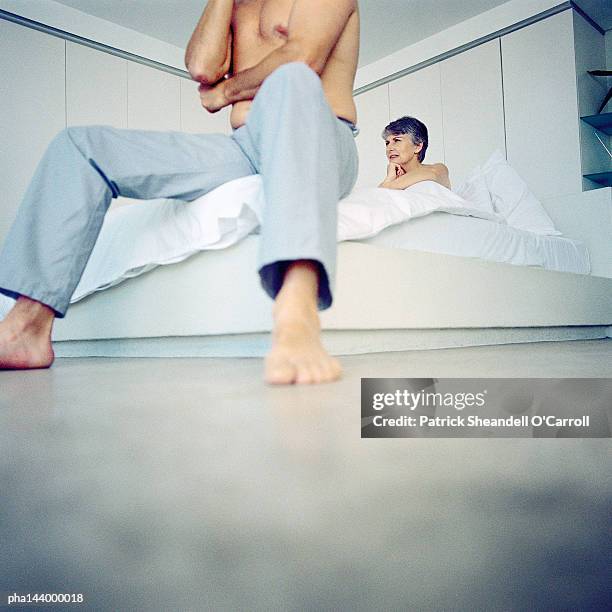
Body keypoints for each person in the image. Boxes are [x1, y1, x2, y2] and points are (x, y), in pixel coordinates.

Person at [0, 0, 361, 385]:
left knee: (291, 78)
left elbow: (301, 58)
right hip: (246, 147)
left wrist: (226, 94)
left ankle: (298, 310)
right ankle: (27, 328)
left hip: (319, 133)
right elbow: (203, 67)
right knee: (80, 147)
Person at [378, 116, 450, 190]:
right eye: (387, 143)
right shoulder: (391, 181)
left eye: (397, 140)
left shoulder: (438, 169)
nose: (389, 148)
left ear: (417, 146)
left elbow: (433, 173)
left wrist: (389, 184)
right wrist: (389, 178)